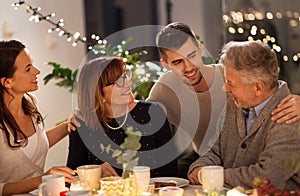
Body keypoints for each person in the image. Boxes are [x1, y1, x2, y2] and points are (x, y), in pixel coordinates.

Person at [146, 22, 300, 178]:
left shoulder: (233, 74)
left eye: (191, 55)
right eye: (177, 62)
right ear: (165, 64)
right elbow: (138, 117)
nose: (189, 67)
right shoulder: (165, 89)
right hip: (210, 162)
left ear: (200, 48)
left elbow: (269, 89)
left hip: (233, 173)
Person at [188, 41, 300, 190]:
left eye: (230, 83)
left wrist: (210, 176)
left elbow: (268, 176)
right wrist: (199, 167)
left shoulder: (290, 116)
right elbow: (214, 151)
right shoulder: (235, 103)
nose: (225, 88)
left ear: (258, 87)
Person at [67, 56, 178, 178]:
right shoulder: (82, 123)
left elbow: (170, 171)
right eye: (117, 82)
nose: (127, 84)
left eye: (125, 76)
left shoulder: (153, 112)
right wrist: (97, 171)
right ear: (98, 93)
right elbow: (72, 174)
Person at [0, 40, 75, 196]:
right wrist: (41, 180)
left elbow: (33, 144)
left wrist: (68, 125)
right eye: (28, 69)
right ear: (7, 82)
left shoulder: (30, 103)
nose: (37, 71)